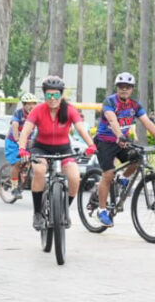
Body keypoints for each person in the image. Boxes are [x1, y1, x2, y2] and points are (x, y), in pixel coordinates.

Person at [16, 76, 97, 231]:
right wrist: (22, 148)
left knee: (74, 177)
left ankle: (64, 210)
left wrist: (91, 145)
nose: (52, 98)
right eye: (49, 95)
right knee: (39, 170)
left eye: (56, 95)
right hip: (41, 148)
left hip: (63, 148)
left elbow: (81, 128)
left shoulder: (69, 110)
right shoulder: (38, 110)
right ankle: (38, 213)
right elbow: (26, 131)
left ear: (61, 95)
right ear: (44, 95)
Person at [93, 72, 155, 228]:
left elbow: (147, 123)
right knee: (108, 174)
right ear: (117, 88)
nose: (124, 89)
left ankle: (122, 178)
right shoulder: (109, 102)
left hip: (122, 142)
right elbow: (112, 120)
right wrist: (120, 136)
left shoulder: (134, 106)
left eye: (127, 87)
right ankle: (101, 211)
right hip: (105, 142)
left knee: (137, 158)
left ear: (132, 89)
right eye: (121, 86)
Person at [5, 93, 39, 191]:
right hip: (13, 142)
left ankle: (24, 175)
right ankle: (14, 188)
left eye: (33, 104)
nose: (31, 106)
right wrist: (17, 139)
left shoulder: (37, 114)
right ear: (23, 105)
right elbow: (15, 125)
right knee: (17, 164)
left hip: (27, 141)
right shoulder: (18, 113)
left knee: (33, 160)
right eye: (28, 104)